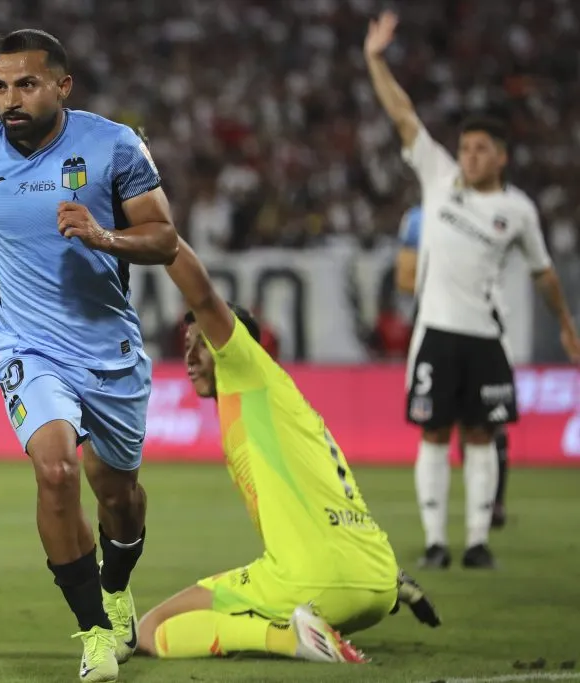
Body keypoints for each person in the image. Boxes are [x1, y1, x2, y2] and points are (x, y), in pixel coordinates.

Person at [0, 29, 179, 683]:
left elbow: (165, 238)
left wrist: (104, 234)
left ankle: (118, 588)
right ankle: (94, 630)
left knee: (118, 495)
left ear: (62, 85)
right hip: (28, 347)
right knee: (57, 470)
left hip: (109, 348)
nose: (10, 98)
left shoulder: (114, 144)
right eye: (1, 85)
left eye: (26, 84)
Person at [135, 240, 440, 663]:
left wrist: (158, 234)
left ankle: (289, 637)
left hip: (316, 578)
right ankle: (300, 626)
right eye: (185, 346)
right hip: (378, 577)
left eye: (201, 343)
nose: (189, 357)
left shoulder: (247, 369)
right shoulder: (279, 405)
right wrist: (394, 578)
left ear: (231, 343)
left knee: (150, 631)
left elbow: (202, 293)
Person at [365, 11, 580, 569]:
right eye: (465, 148)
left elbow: (544, 273)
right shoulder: (438, 179)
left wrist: (563, 323)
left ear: (502, 157)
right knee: (434, 433)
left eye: (481, 149)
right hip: (435, 333)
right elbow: (404, 116)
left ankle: (478, 542)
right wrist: (374, 60)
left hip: (487, 335)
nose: (469, 156)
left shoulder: (517, 211)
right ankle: (437, 543)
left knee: (482, 435)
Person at [397, 206, 510, 529]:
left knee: (487, 421)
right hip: (436, 329)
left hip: (484, 326)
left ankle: (492, 505)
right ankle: (437, 536)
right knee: (436, 424)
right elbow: (404, 278)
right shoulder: (418, 217)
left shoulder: (494, 211)